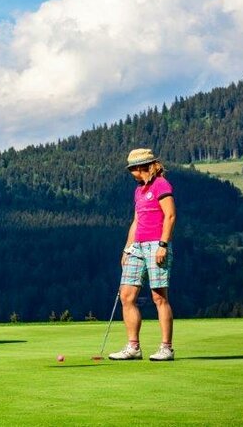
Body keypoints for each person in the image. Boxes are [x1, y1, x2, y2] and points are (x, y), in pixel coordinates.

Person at [109, 148, 177, 362]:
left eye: (132, 169)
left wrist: (163, 245)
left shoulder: (161, 185)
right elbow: (136, 221)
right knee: (127, 296)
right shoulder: (138, 190)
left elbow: (170, 216)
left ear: (141, 167)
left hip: (157, 245)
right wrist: (127, 248)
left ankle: (166, 348)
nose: (131, 173)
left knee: (159, 297)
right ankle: (133, 347)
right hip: (137, 246)